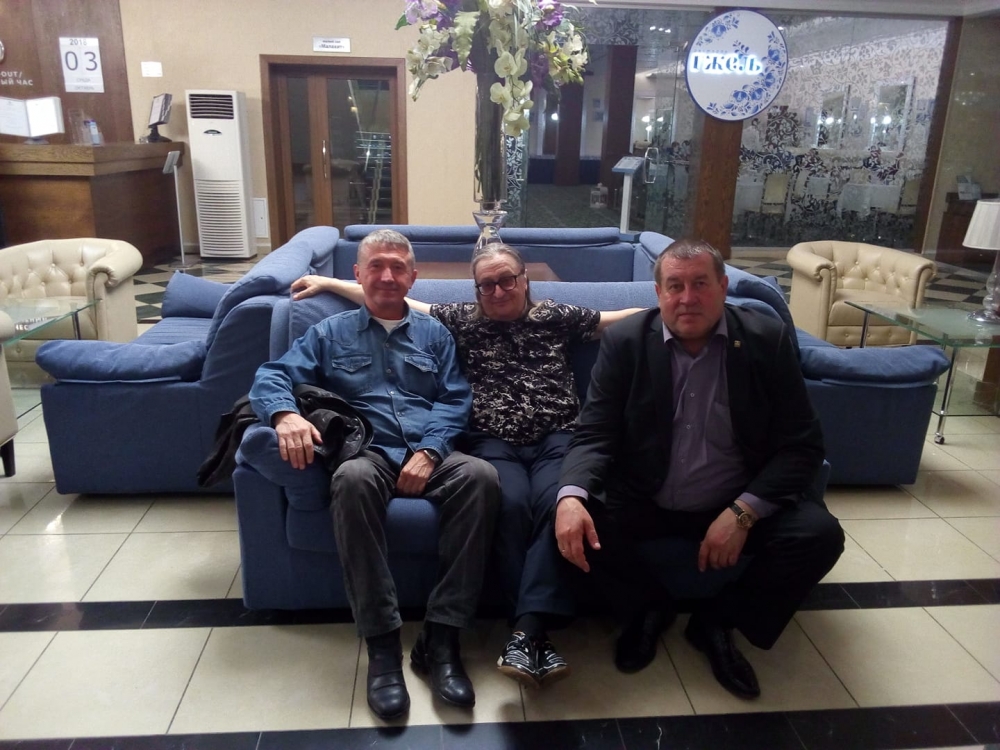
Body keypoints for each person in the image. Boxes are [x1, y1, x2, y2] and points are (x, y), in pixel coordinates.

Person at [292, 243, 642, 689]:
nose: (497, 291)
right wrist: (330, 282)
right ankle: (513, 632)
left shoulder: (556, 316)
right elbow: (391, 296)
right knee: (509, 503)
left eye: (506, 280)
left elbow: (618, 320)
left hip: (558, 437)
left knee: (556, 504)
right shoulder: (459, 320)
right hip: (492, 441)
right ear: (476, 290)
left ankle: (526, 630)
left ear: (524, 280)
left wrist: (676, 306)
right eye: (486, 285)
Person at [554, 238, 845, 699]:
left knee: (819, 536)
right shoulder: (627, 342)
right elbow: (594, 434)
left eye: (700, 284)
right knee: (566, 526)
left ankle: (717, 621)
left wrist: (744, 512)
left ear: (723, 287)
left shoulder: (765, 340)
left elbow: (803, 445)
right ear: (658, 293)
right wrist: (571, 496)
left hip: (733, 495)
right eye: (675, 286)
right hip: (647, 493)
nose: (687, 298)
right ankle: (648, 609)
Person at [249, 229, 501, 721]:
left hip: (429, 449)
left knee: (482, 477)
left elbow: (455, 398)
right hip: (366, 449)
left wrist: (431, 450)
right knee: (350, 480)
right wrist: (284, 414)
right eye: (377, 266)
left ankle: (442, 639)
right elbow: (272, 374)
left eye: (398, 267)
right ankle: (383, 646)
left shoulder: (435, 335)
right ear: (358, 274)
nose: (387, 276)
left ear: (413, 276)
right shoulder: (328, 333)